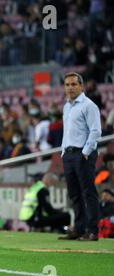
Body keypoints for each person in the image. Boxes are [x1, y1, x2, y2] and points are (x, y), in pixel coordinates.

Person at [59, 72, 102, 241]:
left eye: (73, 84)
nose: (70, 88)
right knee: (74, 194)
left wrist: (85, 152)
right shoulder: (67, 106)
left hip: (82, 154)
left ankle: (92, 231)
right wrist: (63, 151)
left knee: (88, 193)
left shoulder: (89, 106)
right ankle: (79, 228)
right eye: (67, 85)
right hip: (68, 154)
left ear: (81, 86)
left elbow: (96, 131)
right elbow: (66, 132)